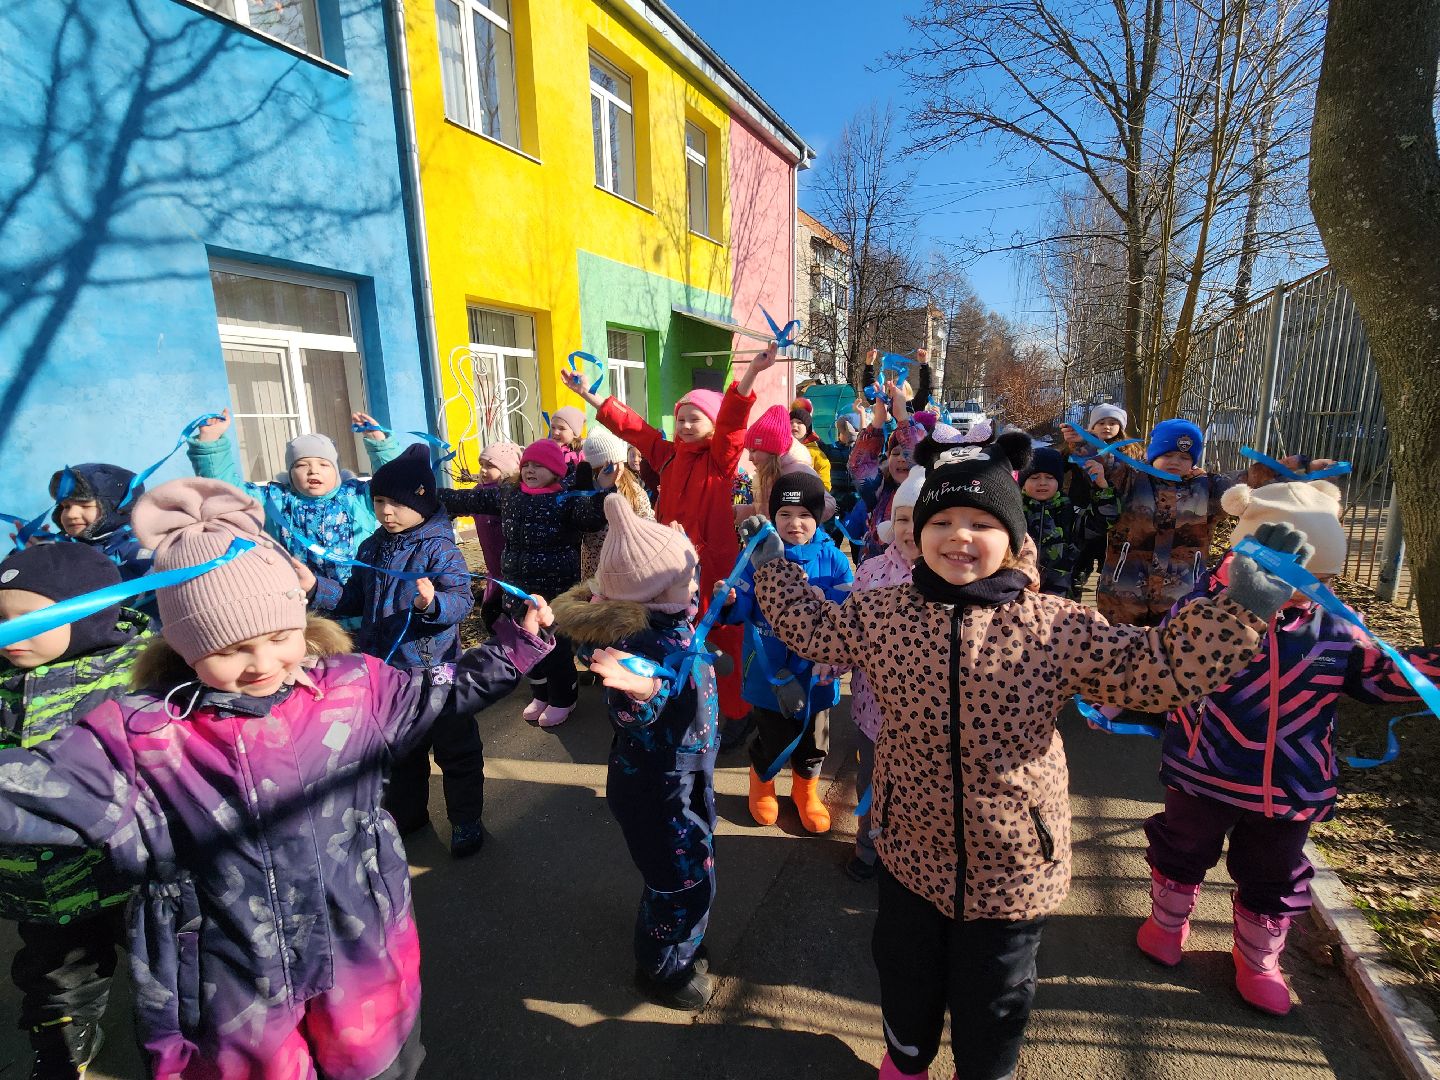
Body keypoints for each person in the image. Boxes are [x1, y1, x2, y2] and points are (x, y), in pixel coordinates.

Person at [739, 429, 1309, 1080]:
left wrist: (1240, 610)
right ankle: (906, 1060)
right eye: (941, 521)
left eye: (981, 522)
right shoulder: (883, 615)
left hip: (1011, 869)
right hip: (908, 850)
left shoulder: (1052, 625)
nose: (959, 535)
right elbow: (816, 629)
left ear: (1011, 537)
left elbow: (1154, 669)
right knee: (904, 973)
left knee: (996, 999)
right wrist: (773, 565)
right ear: (918, 532)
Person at [0, 477, 553, 1079]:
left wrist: (516, 646)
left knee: (373, 1063)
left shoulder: (354, 688)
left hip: (358, 942)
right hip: (225, 975)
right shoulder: (139, 737)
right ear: (185, 646)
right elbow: (33, 789)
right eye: (229, 649)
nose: (262, 663)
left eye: (280, 636)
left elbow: (436, 693)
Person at [1137, 479, 1440, 1016]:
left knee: (1274, 872)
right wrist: (1239, 609)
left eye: (1325, 579)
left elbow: (1377, 675)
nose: (1312, 590)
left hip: (1291, 783)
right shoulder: (1204, 609)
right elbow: (1167, 660)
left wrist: (1426, 672)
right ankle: (1167, 922)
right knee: (1183, 847)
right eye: (1301, 576)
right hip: (1204, 768)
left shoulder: (1336, 626)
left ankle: (1258, 958)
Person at [551, 496, 719, 1011]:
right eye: (687, 578)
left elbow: (687, 619)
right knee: (679, 881)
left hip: (688, 770)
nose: (696, 584)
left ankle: (683, 940)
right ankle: (663, 968)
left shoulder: (669, 617)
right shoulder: (632, 650)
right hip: (656, 786)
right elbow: (634, 714)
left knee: (694, 864)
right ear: (656, 594)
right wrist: (642, 694)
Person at [562, 345, 777, 746]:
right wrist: (590, 396)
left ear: (713, 424)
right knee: (676, 635)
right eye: (681, 418)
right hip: (671, 567)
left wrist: (749, 375)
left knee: (722, 637)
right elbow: (633, 428)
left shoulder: (721, 459)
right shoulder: (667, 457)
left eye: (696, 418)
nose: (687, 425)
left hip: (713, 567)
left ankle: (735, 713)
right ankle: (682, 703)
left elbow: (733, 422)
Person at [0, 544, 153, 1076]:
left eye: (31, 618)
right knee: (56, 970)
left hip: (129, 870)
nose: (11, 633)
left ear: (89, 614)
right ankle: (64, 1036)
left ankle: (180, 1039)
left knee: (164, 962)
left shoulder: (137, 675)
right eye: (1, 618)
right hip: (38, 878)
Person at [309, 445, 487, 857]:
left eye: (398, 503)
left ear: (421, 502)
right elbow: (352, 598)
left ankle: (466, 820)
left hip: (436, 672)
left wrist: (432, 604)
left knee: (456, 750)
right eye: (379, 502)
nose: (386, 512)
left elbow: (462, 600)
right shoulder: (372, 547)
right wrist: (314, 587)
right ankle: (409, 816)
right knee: (401, 752)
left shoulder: (438, 548)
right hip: (387, 674)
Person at [439, 439, 609, 729]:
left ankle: (563, 699)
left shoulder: (566, 499)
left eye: (538, 465)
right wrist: (430, 496)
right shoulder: (510, 493)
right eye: (526, 464)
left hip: (555, 592)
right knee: (525, 645)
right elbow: (471, 500)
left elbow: (592, 520)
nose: (530, 470)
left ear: (555, 471)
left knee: (555, 649)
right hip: (518, 589)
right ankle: (540, 694)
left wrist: (598, 490)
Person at [723, 471, 853, 835]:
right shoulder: (755, 554)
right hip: (768, 669)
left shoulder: (833, 558)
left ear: (819, 517)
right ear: (773, 515)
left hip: (817, 672)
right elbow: (742, 604)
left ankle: (805, 791)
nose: (795, 523)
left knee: (814, 739)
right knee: (773, 733)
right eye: (785, 514)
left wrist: (827, 599)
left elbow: (848, 607)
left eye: (805, 515)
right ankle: (762, 782)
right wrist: (731, 600)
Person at [187, 409, 402, 585]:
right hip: (300, 603)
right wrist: (211, 444)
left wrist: (379, 444)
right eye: (301, 465)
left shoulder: (357, 496)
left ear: (336, 471)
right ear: (290, 473)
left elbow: (395, 480)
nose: (313, 471)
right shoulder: (274, 501)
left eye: (323, 464)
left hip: (358, 601)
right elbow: (227, 491)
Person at [843, 465, 924, 882]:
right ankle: (867, 848)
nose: (912, 529)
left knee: (916, 789)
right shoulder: (872, 571)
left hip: (924, 720)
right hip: (873, 710)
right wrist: (830, 664)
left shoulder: (953, 580)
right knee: (870, 780)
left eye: (924, 518)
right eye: (904, 518)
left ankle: (908, 856)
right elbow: (849, 631)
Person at [1019, 448, 1119, 598]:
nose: (1042, 483)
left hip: (1062, 595)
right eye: (1034, 477)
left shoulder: (1070, 511)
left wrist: (1102, 487)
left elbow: (1104, 520)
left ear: (1059, 481)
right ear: (1023, 482)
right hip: (1019, 593)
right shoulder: (1014, 510)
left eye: (1049, 477)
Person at [41, 463, 153, 587]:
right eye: (66, 506)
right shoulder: (60, 544)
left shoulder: (138, 548)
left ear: (118, 509)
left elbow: (144, 586)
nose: (71, 514)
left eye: (85, 506)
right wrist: (35, 554)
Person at [575, 429, 654, 583]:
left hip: (629, 563)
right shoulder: (587, 490)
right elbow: (583, 522)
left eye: (618, 464)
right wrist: (601, 490)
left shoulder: (633, 489)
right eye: (603, 468)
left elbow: (647, 519)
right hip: (596, 567)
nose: (614, 471)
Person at [468, 441, 523, 617]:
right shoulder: (478, 491)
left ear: (507, 469)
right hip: (493, 567)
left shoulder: (510, 494)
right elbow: (462, 504)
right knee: (492, 611)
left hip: (512, 569)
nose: (483, 470)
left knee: (509, 609)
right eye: (481, 464)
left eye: (490, 466)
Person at [789, 407, 832, 489]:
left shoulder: (815, 452)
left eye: (799, 422)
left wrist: (821, 493)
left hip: (809, 493)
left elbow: (824, 479)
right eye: (791, 422)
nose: (794, 425)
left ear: (807, 429)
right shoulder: (783, 450)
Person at [546, 406, 586, 479]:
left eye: (562, 428)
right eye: (553, 427)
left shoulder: (582, 452)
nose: (555, 432)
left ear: (574, 433)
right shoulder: (547, 450)